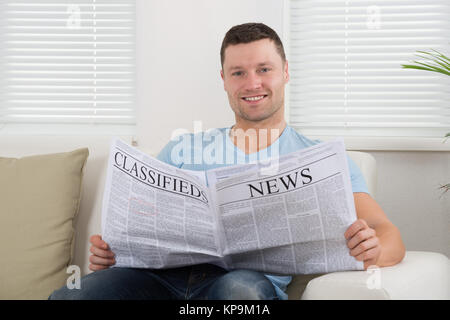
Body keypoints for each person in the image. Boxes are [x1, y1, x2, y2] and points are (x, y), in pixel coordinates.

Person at [49, 22, 405, 300]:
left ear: (285, 72)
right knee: (77, 293)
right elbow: (136, 226)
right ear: (224, 80)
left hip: (241, 284)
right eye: (238, 73)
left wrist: (373, 251)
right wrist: (112, 254)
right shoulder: (182, 149)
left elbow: (389, 235)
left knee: (240, 294)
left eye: (264, 69)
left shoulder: (322, 158)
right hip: (156, 281)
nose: (252, 83)